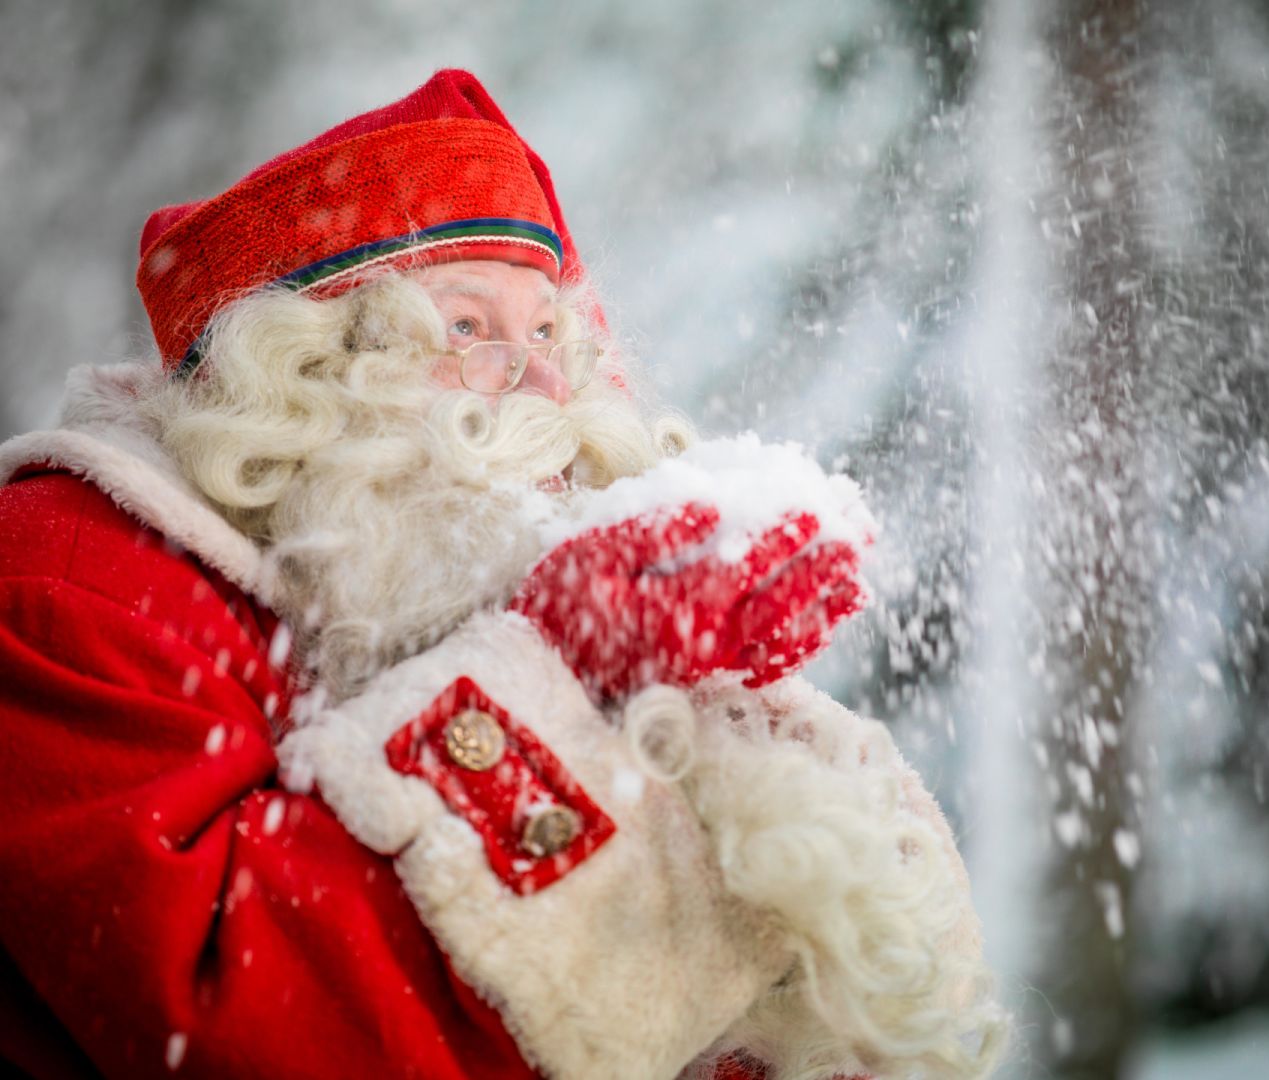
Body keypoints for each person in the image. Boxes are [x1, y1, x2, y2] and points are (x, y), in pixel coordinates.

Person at [0, 70, 1003, 1079]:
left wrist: (747, 756)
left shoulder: (443, 561)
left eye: (546, 331)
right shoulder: (71, 575)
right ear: (303, 375)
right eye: (470, 328)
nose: (543, 383)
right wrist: (558, 674)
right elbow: (245, 1028)